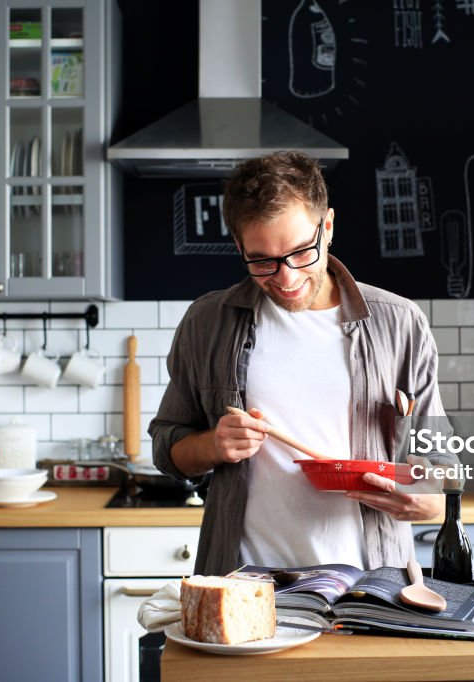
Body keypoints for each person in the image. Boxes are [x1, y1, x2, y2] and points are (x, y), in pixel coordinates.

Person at [149, 150, 447, 575]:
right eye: (262, 261)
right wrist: (212, 445)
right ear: (239, 246)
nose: (286, 279)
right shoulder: (207, 322)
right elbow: (167, 448)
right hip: (245, 584)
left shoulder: (399, 323)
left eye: (301, 252)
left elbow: (442, 466)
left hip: (370, 587)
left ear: (326, 227)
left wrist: (429, 501)